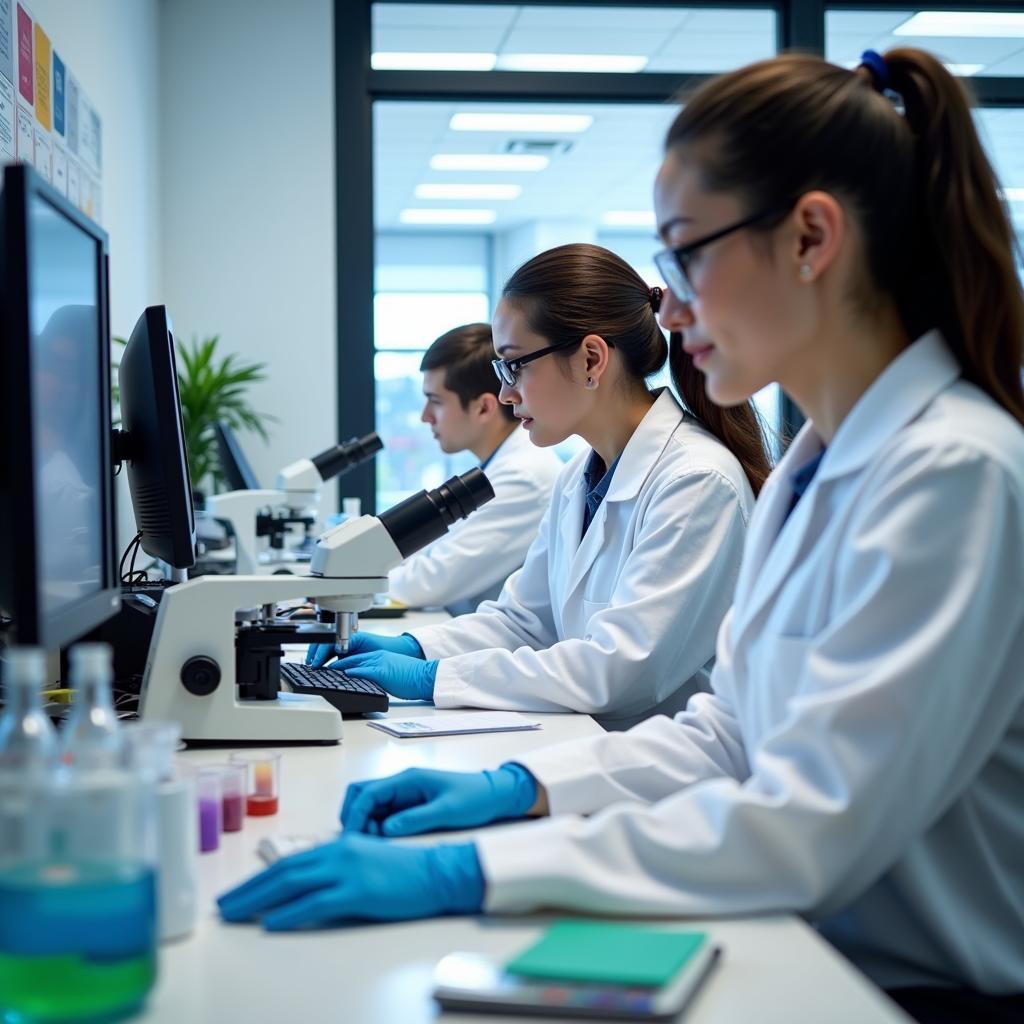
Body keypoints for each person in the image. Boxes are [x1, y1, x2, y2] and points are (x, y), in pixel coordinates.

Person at [223, 48, 1024, 1020]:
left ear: (811, 237)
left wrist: (475, 868)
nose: (669, 306)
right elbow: (729, 733)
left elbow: (807, 821)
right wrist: (520, 787)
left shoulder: (954, 472)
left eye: (684, 254)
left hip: (905, 988)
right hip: (789, 933)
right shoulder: (816, 468)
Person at [309, 243, 771, 729]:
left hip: (667, 776)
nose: (506, 394)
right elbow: (525, 621)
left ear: (591, 360)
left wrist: (433, 676)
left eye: (516, 366)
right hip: (589, 746)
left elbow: (619, 671)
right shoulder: (580, 475)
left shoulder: (696, 481)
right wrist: (415, 647)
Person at [385, 323, 562, 614]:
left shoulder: (524, 476)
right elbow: (431, 554)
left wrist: (342, 585)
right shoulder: (499, 467)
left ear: (484, 408)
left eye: (435, 402)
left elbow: (432, 581)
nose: (425, 416)